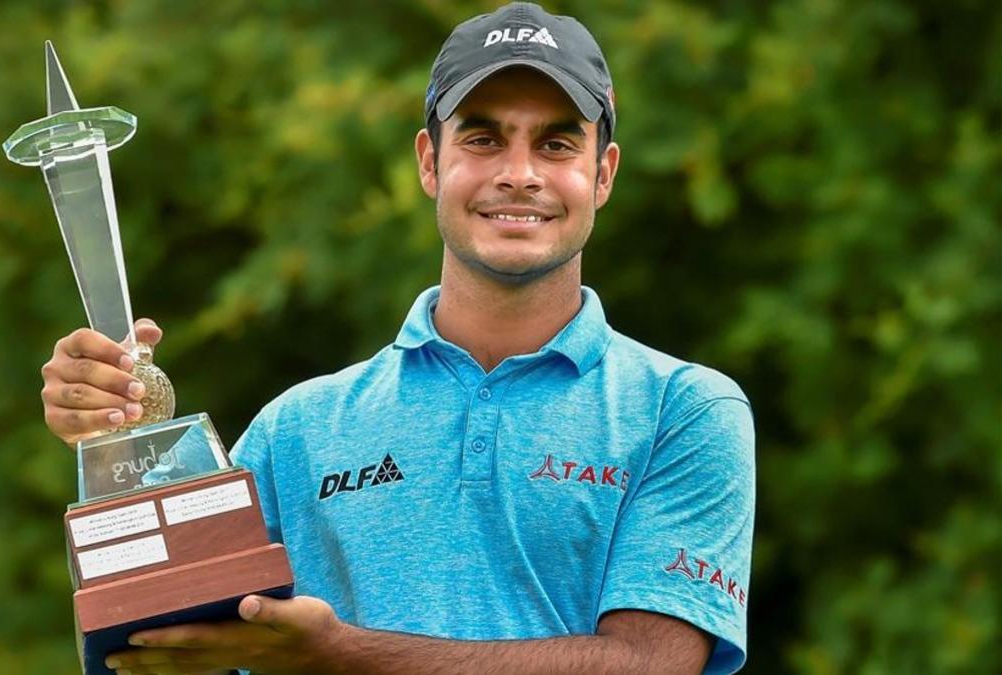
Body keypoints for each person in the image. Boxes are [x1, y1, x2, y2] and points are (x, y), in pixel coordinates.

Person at [39, 3, 755, 673]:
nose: (518, 173)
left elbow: (651, 662)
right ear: (428, 162)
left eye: (557, 142)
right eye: (481, 137)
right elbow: (155, 644)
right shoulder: (297, 429)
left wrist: (339, 654)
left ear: (602, 174)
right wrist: (116, 447)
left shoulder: (684, 410)